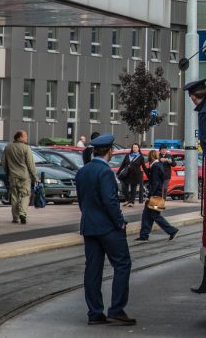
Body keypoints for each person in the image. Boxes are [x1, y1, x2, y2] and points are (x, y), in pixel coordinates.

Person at [75, 133, 135, 326]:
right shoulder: (106, 172)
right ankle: (117, 309)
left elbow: (82, 201)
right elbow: (110, 202)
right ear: (110, 151)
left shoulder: (82, 172)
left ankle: (95, 313)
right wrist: (120, 222)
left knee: (92, 270)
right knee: (122, 264)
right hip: (108, 228)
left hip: (89, 226)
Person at [135, 150, 179, 243]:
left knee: (154, 215)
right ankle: (144, 235)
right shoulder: (158, 165)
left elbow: (155, 182)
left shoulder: (155, 166)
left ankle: (172, 230)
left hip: (155, 195)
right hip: (158, 194)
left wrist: (150, 195)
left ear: (151, 157)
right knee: (147, 214)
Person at [3, 130, 38, 224]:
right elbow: (30, 164)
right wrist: (35, 176)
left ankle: (15, 217)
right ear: (19, 137)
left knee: (14, 197)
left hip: (13, 176)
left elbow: (4, 162)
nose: (27, 138)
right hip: (24, 176)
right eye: (25, 136)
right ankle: (23, 213)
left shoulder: (8, 147)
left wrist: (7, 173)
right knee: (25, 195)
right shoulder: (26, 148)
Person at [184, 79, 206, 157]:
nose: (191, 99)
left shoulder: (204, 111)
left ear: (195, 96)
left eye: (190, 95)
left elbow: (205, 137)